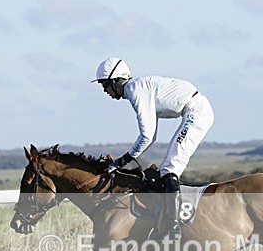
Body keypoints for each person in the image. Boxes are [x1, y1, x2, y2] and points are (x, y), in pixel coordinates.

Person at [92, 57, 214, 240]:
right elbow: (152, 136)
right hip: (193, 110)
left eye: (105, 84)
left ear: (115, 81)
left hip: (196, 112)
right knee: (167, 167)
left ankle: (173, 229)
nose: (104, 90)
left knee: (170, 168)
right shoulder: (139, 88)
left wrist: (122, 160)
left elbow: (147, 136)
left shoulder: (134, 90)